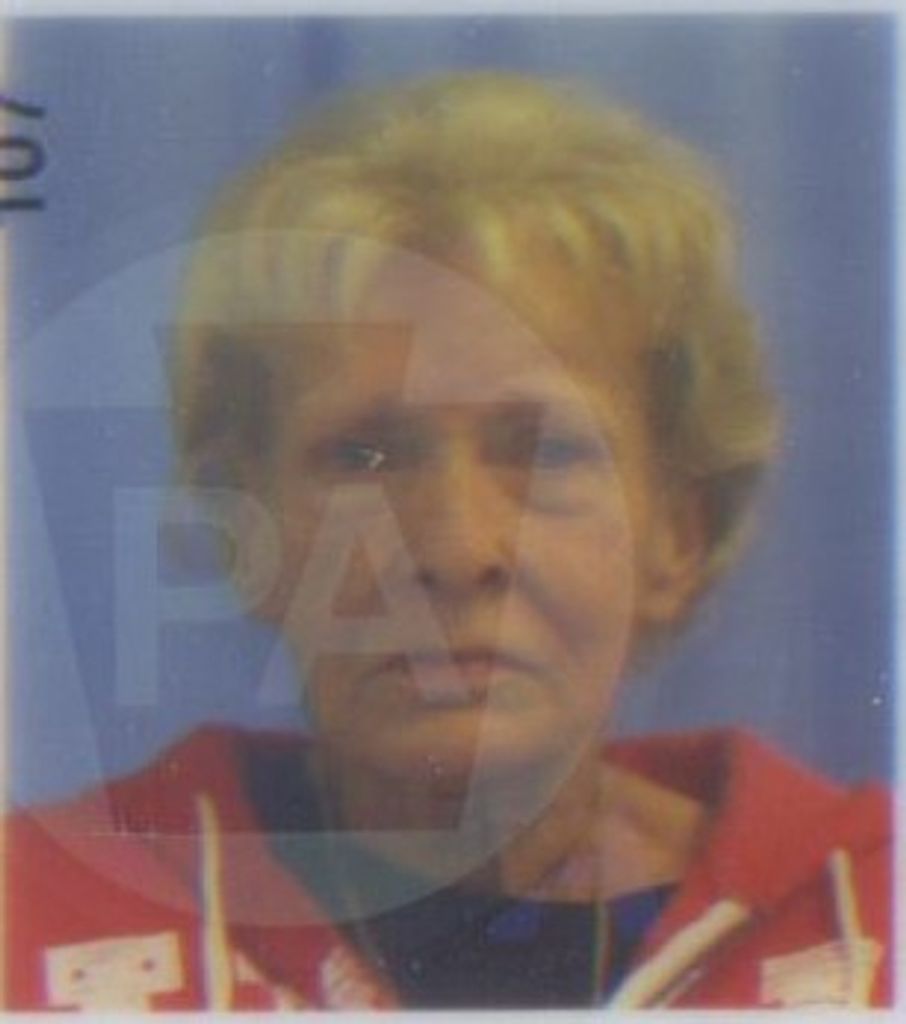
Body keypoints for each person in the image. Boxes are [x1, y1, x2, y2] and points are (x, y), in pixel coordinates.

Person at [5, 73, 891, 1010]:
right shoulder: (35, 907)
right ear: (244, 526)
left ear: (676, 532)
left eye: (542, 453)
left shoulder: (874, 905)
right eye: (364, 455)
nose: (457, 548)